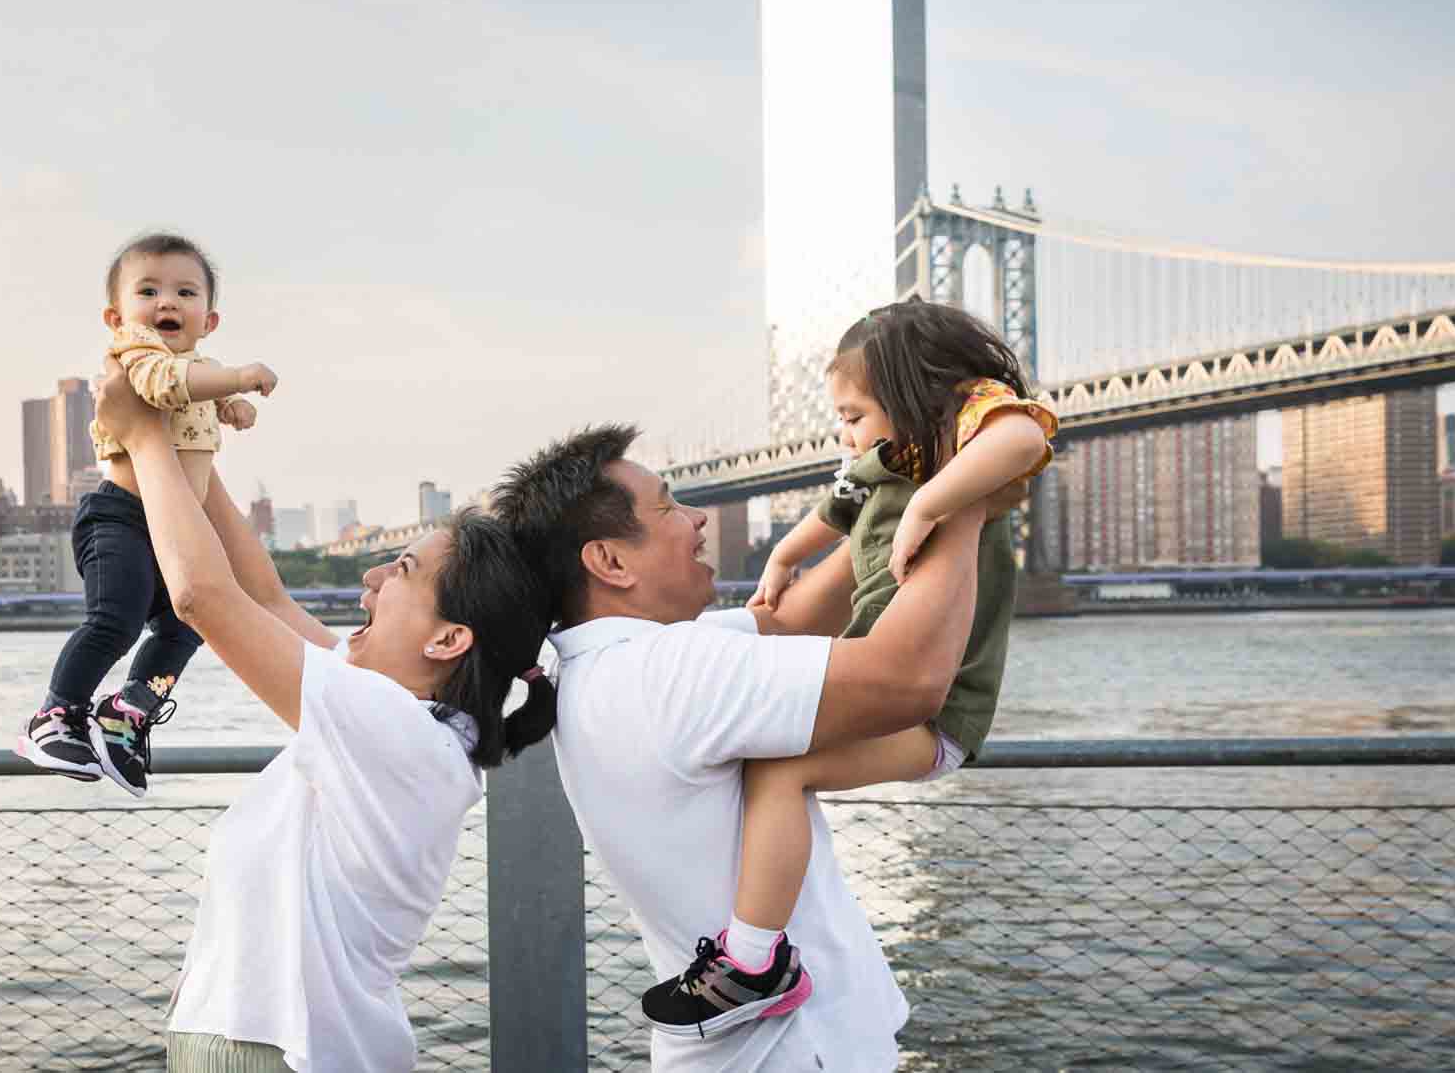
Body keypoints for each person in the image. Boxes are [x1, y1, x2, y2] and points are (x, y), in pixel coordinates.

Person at [92, 360, 557, 1073]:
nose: (370, 578)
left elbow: (203, 600)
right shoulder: (394, 717)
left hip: (285, 1056)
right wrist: (194, 442)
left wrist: (145, 436)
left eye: (400, 569)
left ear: (447, 640)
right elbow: (265, 597)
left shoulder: (396, 733)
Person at [494, 423, 989, 1071]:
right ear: (609, 561)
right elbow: (910, 680)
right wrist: (967, 494)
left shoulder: (609, 662)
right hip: (793, 1054)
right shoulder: (669, 672)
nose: (698, 518)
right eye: (669, 505)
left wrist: (897, 496)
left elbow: (791, 618)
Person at [642, 298, 1058, 1034]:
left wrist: (935, 501)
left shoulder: (964, 447)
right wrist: (782, 554)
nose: (844, 432)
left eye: (855, 413)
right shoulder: (881, 459)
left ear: (914, 396)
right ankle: (757, 940)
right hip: (870, 676)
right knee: (757, 753)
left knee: (778, 767)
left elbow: (1024, 437)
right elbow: (834, 510)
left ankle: (754, 960)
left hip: (938, 713)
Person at [15, 231, 279, 795]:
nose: (167, 302)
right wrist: (237, 379)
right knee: (118, 619)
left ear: (208, 320)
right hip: (123, 519)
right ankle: (56, 714)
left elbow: (193, 390)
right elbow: (167, 386)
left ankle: (130, 710)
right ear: (117, 317)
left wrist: (229, 406)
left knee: (188, 624)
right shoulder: (134, 356)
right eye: (149, 290)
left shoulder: (197, 368)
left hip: (176, 527)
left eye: (186, 292)